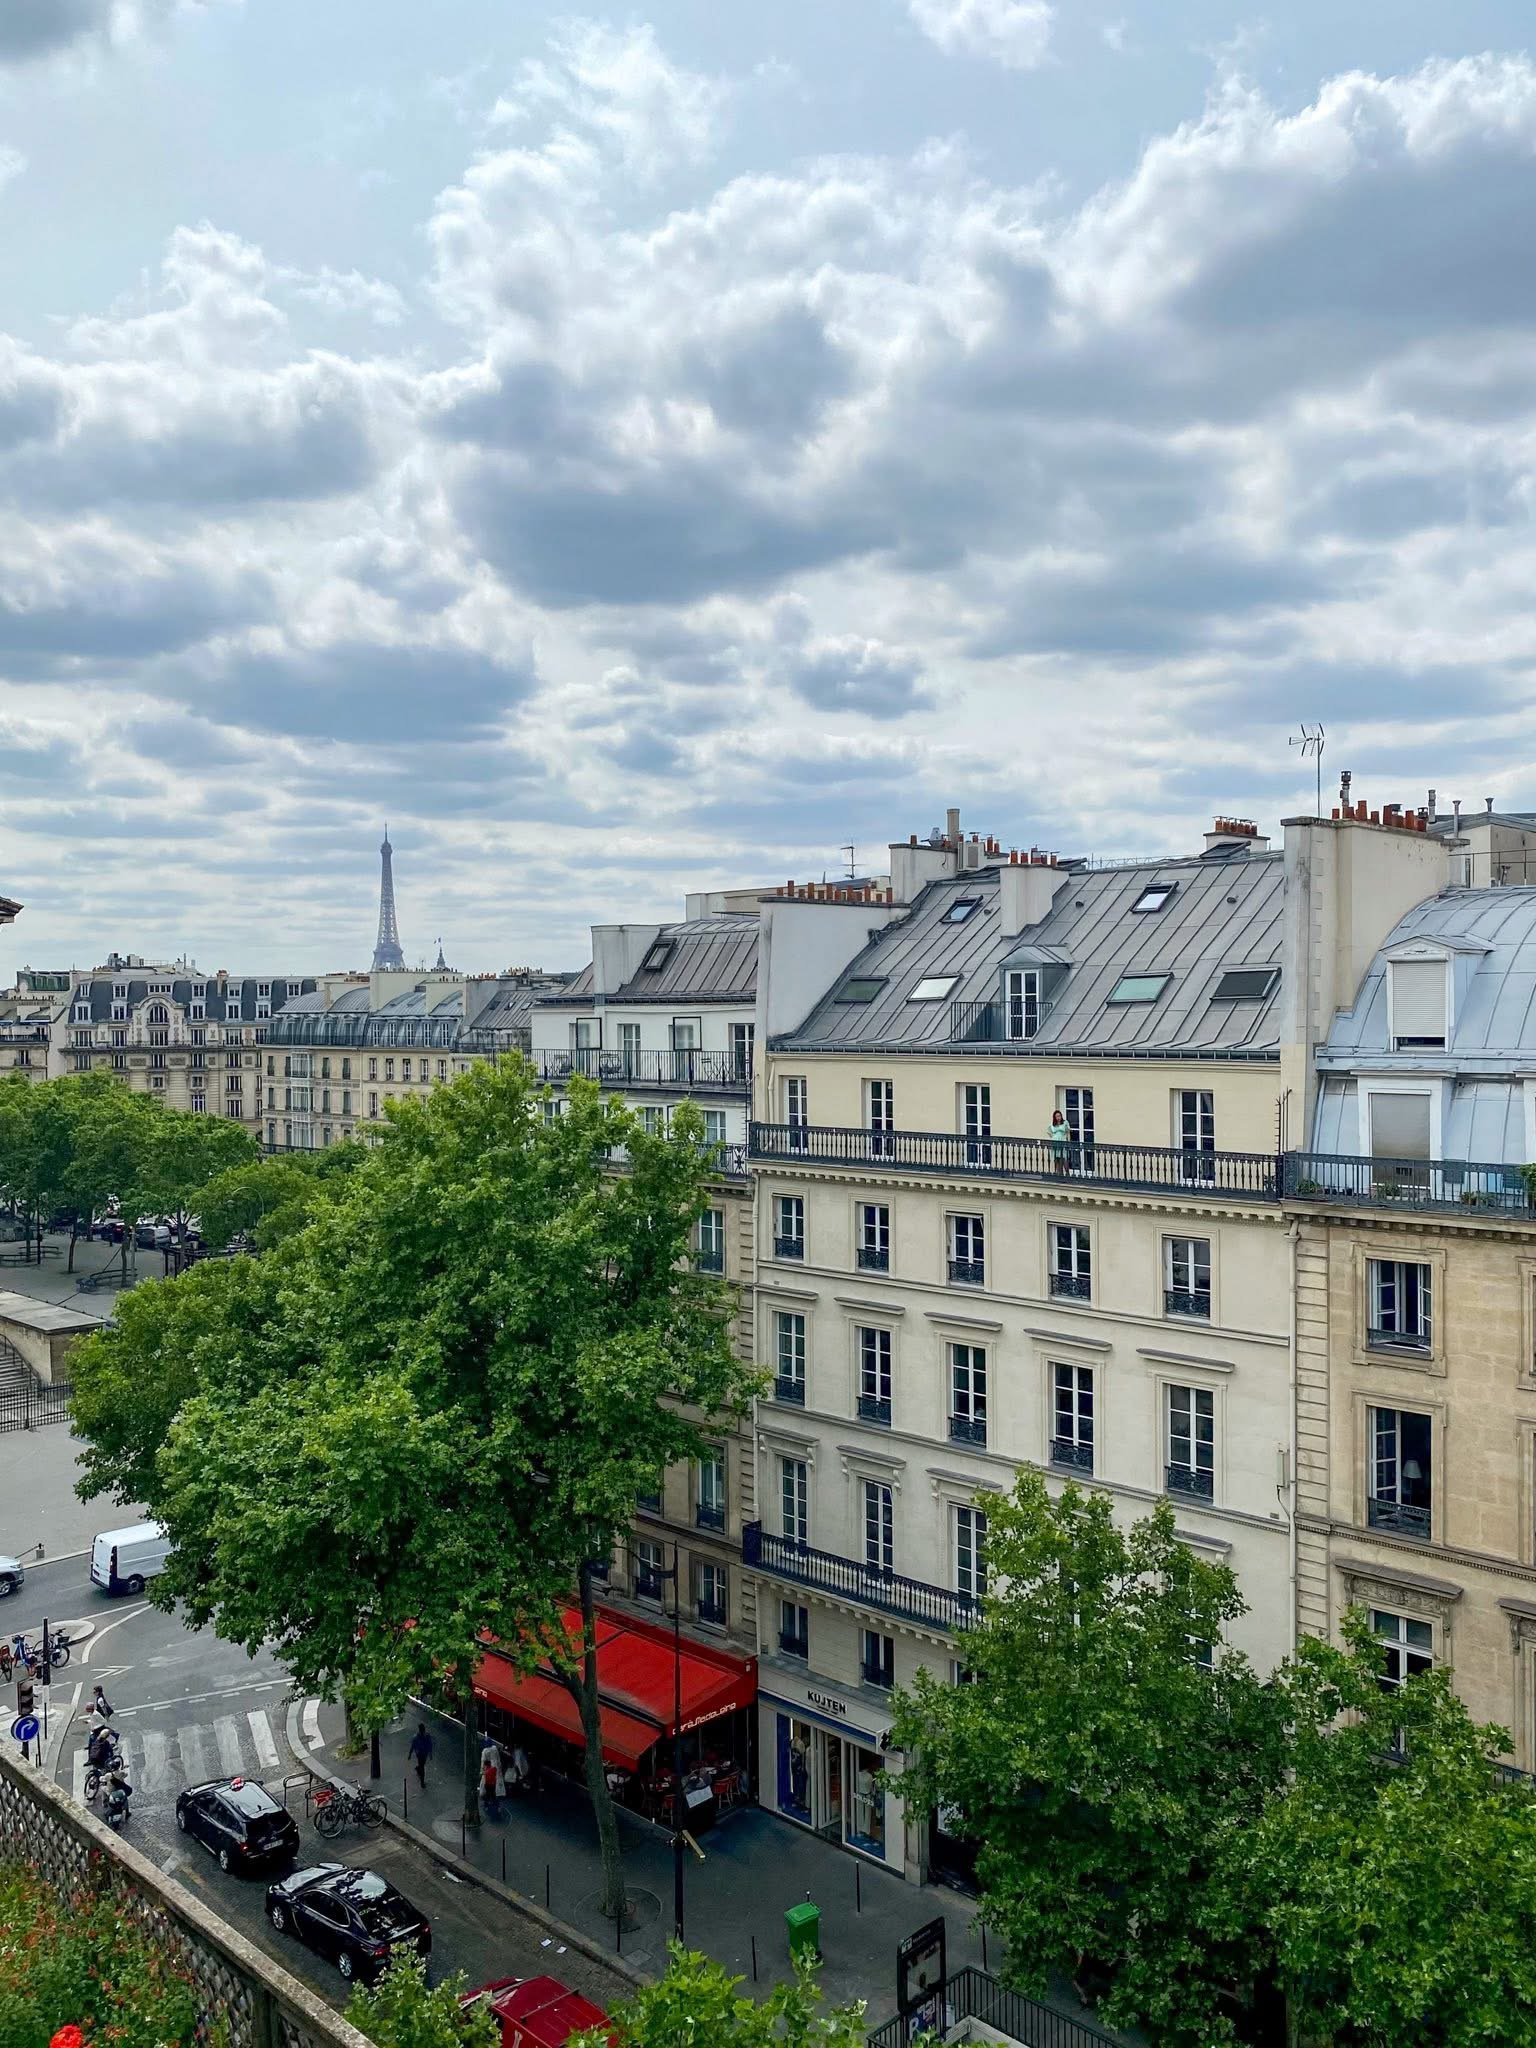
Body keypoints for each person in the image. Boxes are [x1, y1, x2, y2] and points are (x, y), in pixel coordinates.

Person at [407, 1722, 432, 1787]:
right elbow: (430, 1745)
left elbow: (413, 1746)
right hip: (421, 1753)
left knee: (422, 1764)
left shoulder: (418, 1737)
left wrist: (410, 1754)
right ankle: (422, 1782)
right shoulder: (424, 1736)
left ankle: (418, 1768)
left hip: (421, 1753)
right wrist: (430, 1754)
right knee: (422, 1767)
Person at [1048, 1108, 1072, 1174]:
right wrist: (1053, 1137)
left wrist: (1068, 1141)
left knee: (1064, 1158)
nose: (1058, 1117)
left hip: (1062, 1141)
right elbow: (1049, 1132)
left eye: (1059, 1116)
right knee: (1057, 1159)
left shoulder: (1065, 1122)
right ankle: (1059, 1174)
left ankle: (1067, 1174)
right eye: (1056, 1116)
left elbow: (1068, 1132)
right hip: (1055, 1142)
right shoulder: (1052, 1125)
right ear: (1054, 1117)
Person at [480, 1735, 502, 1805]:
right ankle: (498, 1793)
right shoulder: (495, 1748)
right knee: (497, 1779)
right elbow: (498, 1758)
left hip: (488, 1767)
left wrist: (482, 1770)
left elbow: (483, 1761)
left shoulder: (485, 1751)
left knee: (485, 1781)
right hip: (495, 1767)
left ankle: (484, 1794)